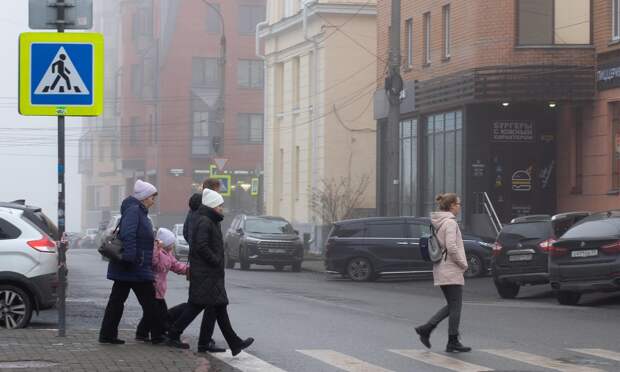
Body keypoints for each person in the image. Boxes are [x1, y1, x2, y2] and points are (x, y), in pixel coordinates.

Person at [167, 189, 254, 356]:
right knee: (198, 306)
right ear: (213, 206)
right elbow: (201, 246)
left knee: (218, 307)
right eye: (220, 205)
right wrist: (215, 260)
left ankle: (231, 344)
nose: (222, 208)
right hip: (206, 273)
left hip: (209, 274)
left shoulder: (210, 220)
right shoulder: (206, 221)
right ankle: (175, 333)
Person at [99, 180, 165, 345]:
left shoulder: (137, 211)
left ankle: (107, 335)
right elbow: (128, 234)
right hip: (134, 265)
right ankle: (158, 335)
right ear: (144, 197)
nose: (153, 200)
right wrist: (130, 257)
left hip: (132, 265)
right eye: (151, 197)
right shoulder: (135, 211)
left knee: (117, 301)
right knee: (150, 302)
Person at [415, 193, 471, 353]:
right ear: (452, 205)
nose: (460, 206)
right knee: (456, 307)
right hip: (451, 269)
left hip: (441, 267)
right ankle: (452, 340)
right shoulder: (451, 223)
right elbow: (452, 247)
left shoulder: (438, 222)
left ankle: (427, 329)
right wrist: (463, 264)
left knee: (452, 305)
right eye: (458, 204)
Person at [135, 228, 189, 341]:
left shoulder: (168, 254)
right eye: (171, 243)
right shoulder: (157, 252)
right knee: (157, 313)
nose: (172, 245)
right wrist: (156, 248)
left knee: (151, 313)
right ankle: (156, 334)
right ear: (165, 243)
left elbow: (175, 265)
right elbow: (153, 262)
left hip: (160, 288)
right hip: (152, 287)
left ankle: (142, 333)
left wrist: (188, 270)